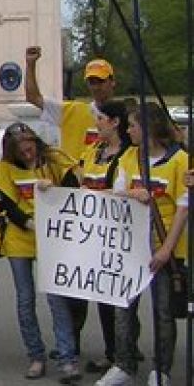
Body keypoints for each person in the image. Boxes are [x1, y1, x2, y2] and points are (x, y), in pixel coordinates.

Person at [96, 104, 189, 386]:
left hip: (165, 247)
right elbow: (116, 192)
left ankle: (161, 368)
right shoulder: (129, 157)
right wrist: (129, 194)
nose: (127, 130)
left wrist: (166, 249)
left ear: (148, 128)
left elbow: (184, 207)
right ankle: (124, 363)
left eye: (133, 126)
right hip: (130, 248)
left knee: (163, 312)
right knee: (123, 308)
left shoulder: (181, 160)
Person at [0, 122, 80, 382]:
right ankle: (36, 355)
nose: (27, 154)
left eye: (29, 147)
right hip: (21, 238)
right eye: (21, 151)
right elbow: (7, 203)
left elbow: (74, 192)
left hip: (51, 239)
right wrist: (29, 223)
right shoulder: (5, 169)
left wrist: (53, 191)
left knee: (57, 299)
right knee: (25, 298)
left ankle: (67, 357)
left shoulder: (53, 162)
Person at [73, 100, 134, 374]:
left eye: (100, 118)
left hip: (118, 236)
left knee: (119, 300)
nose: (96, 123)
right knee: (101, 296)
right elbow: (78, 178)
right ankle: (114, 351)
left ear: (114, 122)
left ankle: (124, 352)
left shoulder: (129, 155)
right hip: (93, 235)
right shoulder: (93, 150)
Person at [25, 46, 116, 162]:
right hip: (73, 177)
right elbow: (33, 97)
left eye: (101, 81)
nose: (96, 87)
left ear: (112, 82)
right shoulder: (71, 110)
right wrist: (30, 64)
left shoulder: (123, 116)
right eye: (92, 82)